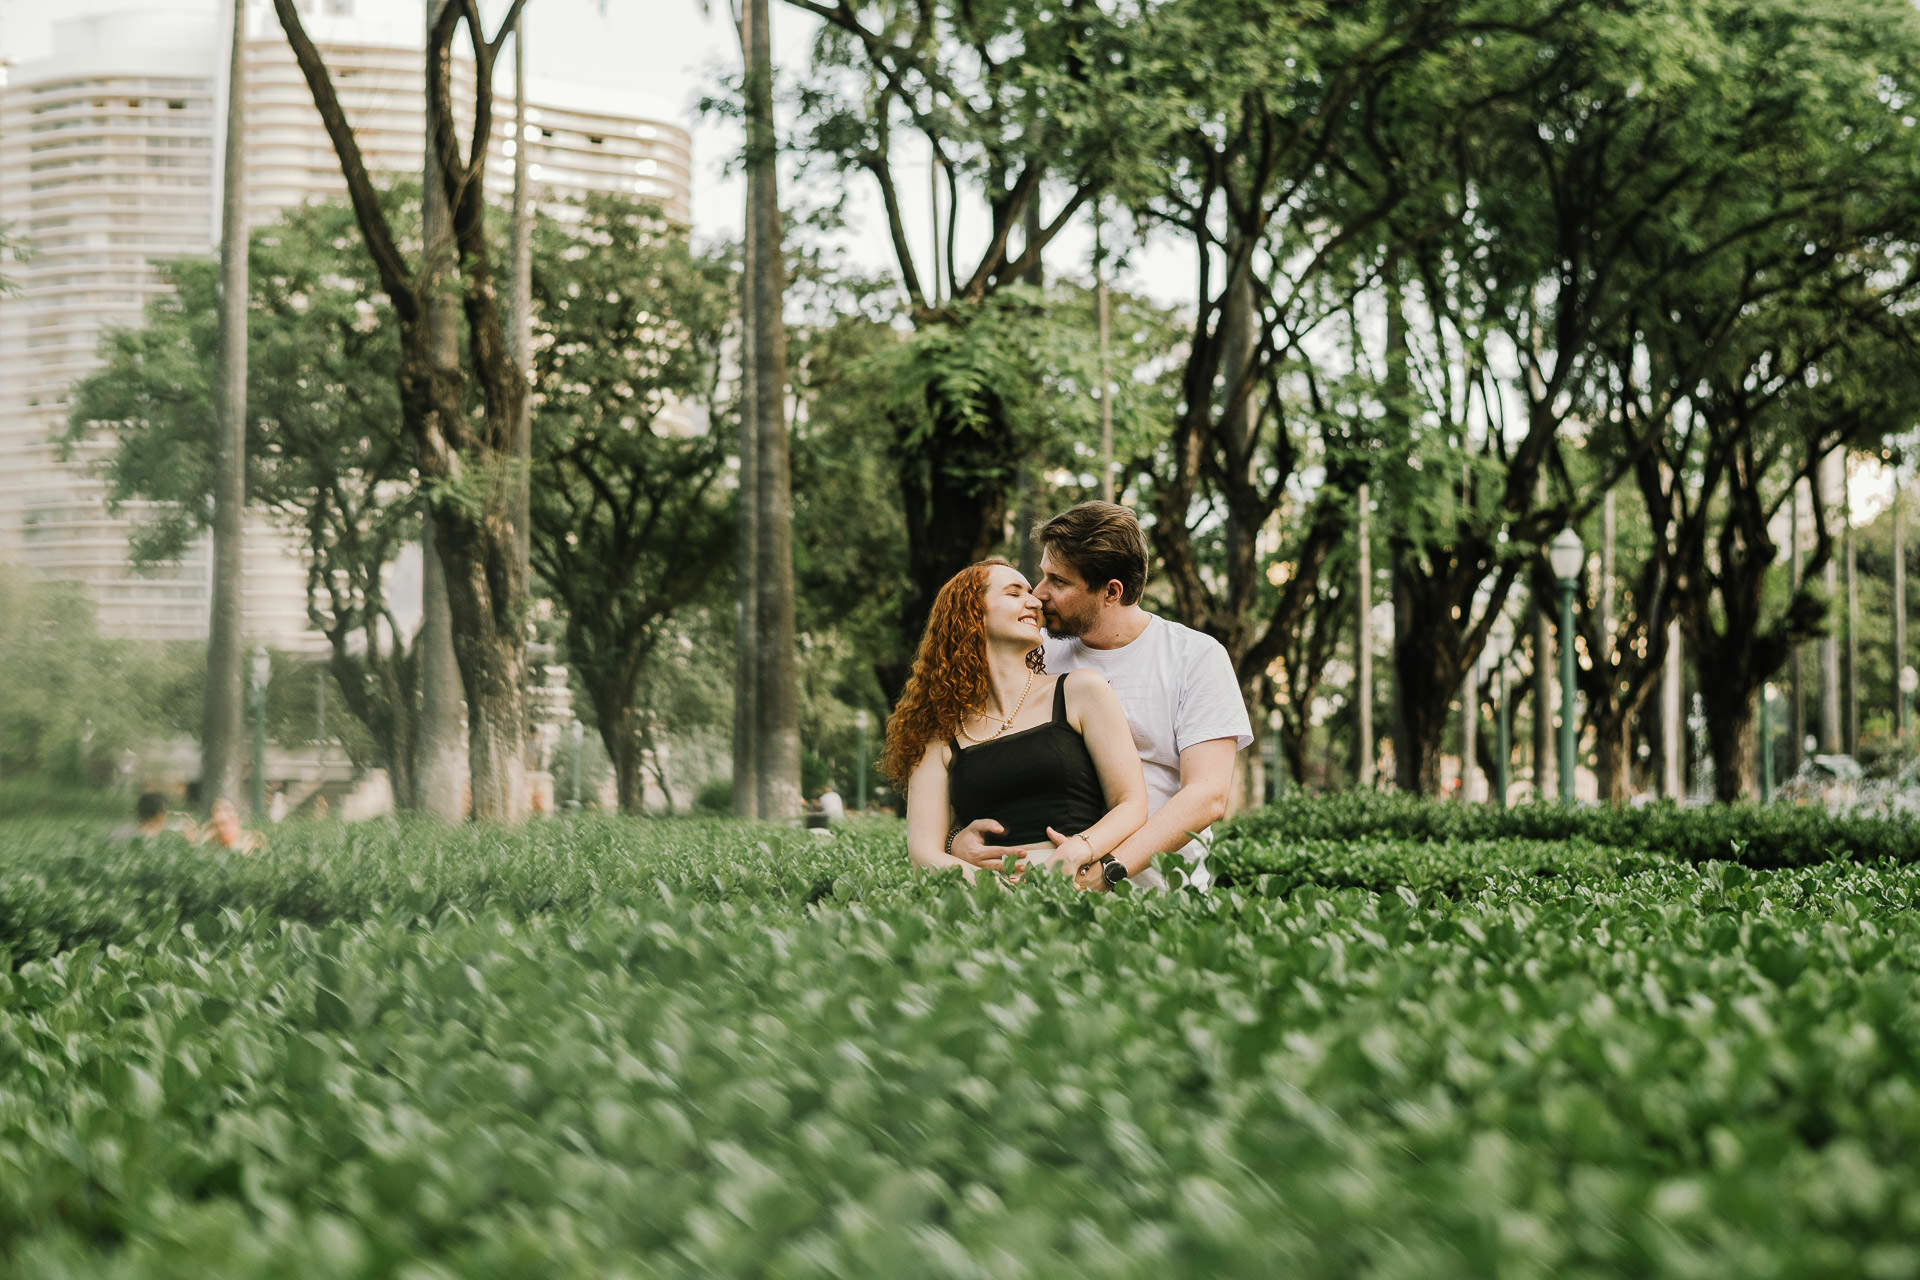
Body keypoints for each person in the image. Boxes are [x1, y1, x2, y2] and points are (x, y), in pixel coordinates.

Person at [948, 502, 1252, 891]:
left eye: (1059, 582)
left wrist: (1106, 871)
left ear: (1111, 591)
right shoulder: (1032, 651)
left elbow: (1206, 795)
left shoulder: (1195, 657)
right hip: (1042, 892)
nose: (1039, 594)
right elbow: (973, 753)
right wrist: (953, 837)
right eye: (1043, 574)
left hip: (1160, 895)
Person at [882, 558, 1147, 880]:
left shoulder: (1081, 690)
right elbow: (924, 853)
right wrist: (993, 886)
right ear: (972, 613)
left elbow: (1131, 803)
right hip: (984, 893)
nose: (1035, 602)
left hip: (1075, 886)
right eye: (1014, 593)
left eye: (1030, 593)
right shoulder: (938, 731)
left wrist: (1077, 851)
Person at [110, 790, 195, 843]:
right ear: (160, 815)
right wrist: (191, 841)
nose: (167, 815)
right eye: (166, 812)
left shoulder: (119, 833)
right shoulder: (163, 841)